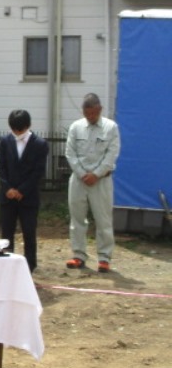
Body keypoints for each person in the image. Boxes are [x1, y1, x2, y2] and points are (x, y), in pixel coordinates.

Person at [65, 93, 121, 273]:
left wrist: (96, 174)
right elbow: (70, 153)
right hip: (79, 179)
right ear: (83, 111)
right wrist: (82, 174)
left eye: (93, 113)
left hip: (101, 180)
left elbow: (112, 154)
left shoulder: (111, 128)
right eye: (87, 113)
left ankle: (104, 257)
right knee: (77, 218)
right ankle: (78, 255)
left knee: (103, 219)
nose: (90, 117)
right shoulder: (76, 127)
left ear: (100, 110)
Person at [0, 109, 49, 273]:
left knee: (29, 232)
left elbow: (38, 172)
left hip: (29, 197)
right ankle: (6, 265)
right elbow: (0, 167)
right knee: (6, 233)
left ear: (28, 126)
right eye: (14, 129)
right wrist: (8, 188)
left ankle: (29, 266)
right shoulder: (5, 141)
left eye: (20, 130)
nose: (17, 133)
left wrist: (22, 190)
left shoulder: (40, 144)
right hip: (8, 196)